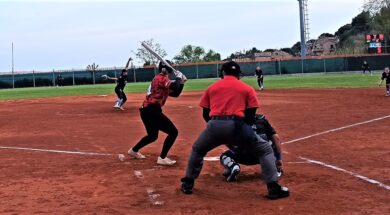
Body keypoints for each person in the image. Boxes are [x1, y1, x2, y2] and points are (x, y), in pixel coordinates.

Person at [180, 61, 289, 200]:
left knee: (198, 150)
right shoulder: (247, 88)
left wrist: (215, 128)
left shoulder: (212, 88)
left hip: (215, 124)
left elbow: (205, 113)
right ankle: (273, 188)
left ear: (222, 73)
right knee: (265, 149)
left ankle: (188, 183)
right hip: (238, 125)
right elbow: (251, 115)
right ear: (238, 74)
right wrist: (243, 132)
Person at [128, 60, 187, 166]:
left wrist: (181, 83)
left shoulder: (162, 79)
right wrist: (178, 77)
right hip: (152, 110)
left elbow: (176, 93)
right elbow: (174, 86)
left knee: (152, 136)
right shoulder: (161, 78)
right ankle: (162, 158)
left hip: (147, 111)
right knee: (173, 132)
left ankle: (134, 150)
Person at [219, 114, 284, 183]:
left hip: (244, 156)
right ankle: (274, 167)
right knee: (270, 143)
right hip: (263, 156)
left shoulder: (235, 122)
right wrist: (279, 158)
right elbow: (276, 138)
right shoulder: (262, 120)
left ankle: (233, 166)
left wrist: (235, 149)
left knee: (224, 156)